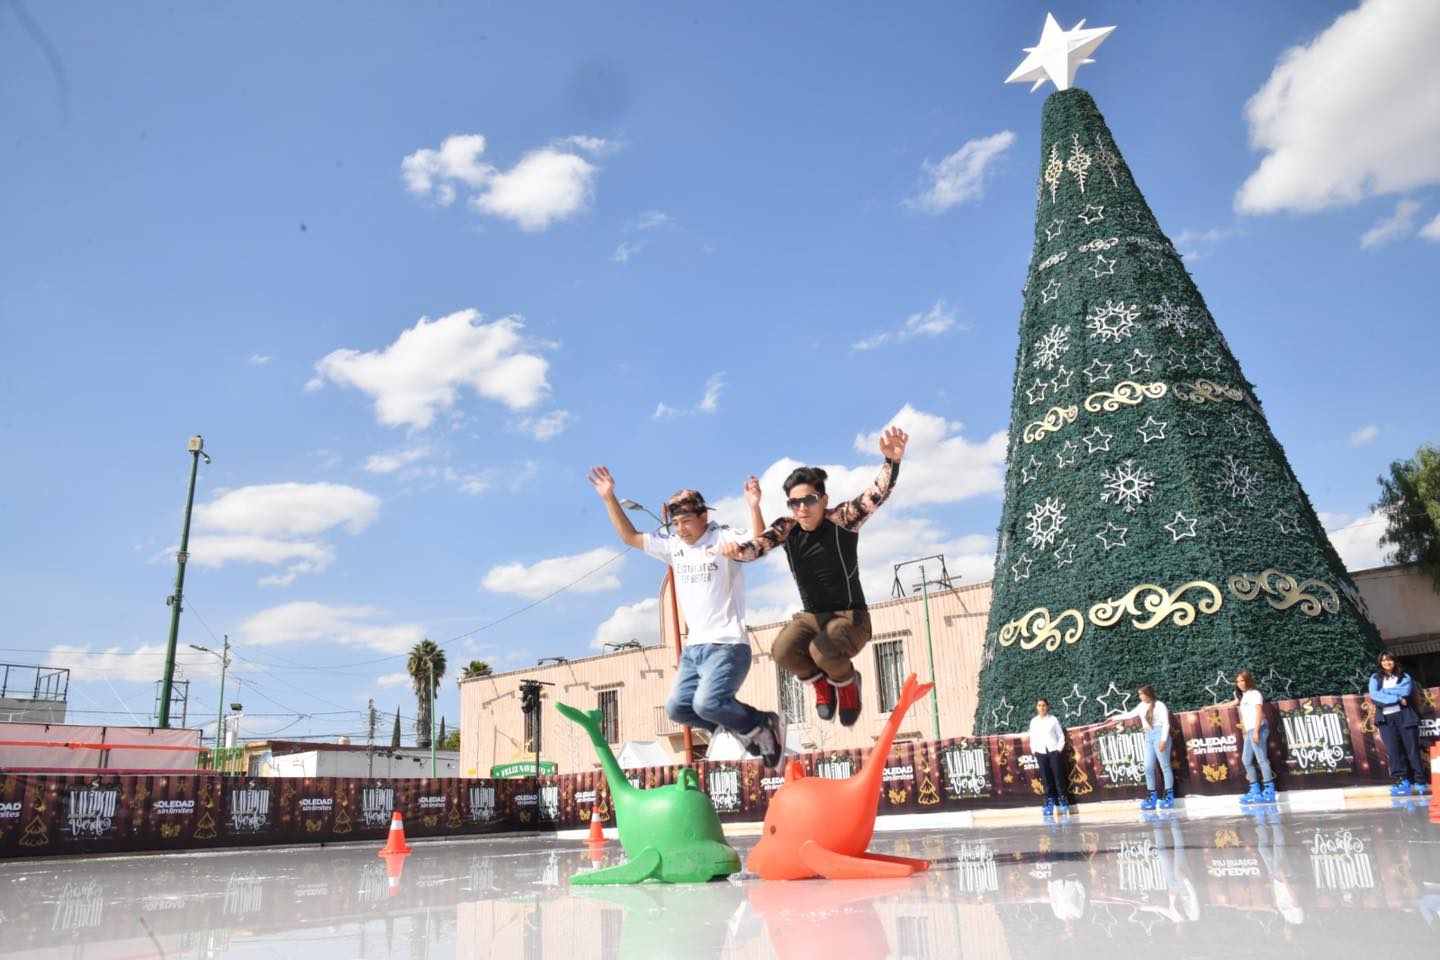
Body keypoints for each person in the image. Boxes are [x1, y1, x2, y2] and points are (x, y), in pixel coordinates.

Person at [587, 466, 785, 768]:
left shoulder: (723, 537)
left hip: (728, 644)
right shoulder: (674, 546)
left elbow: (759, 540)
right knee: (678, 708)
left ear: (703, 517)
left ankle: (760, 724)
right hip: (695, 650)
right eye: (676, 523)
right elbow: (629, 537)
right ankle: (730, 728)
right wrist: (608, 498)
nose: (681, 529)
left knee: (707, 703)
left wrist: (754, 506)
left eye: (687, 522)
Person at [721, 426, 908, 727]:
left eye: (809, 500)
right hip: (812, 617)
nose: (802, 508)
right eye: (795, 503)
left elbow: (876, 494)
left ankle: (847, 686)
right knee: (782, 651)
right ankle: (822, 685)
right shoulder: (787, 527)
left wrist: (891, 462)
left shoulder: (843, 519)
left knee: (821, 649)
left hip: (851, 618)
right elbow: (759, 546)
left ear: (823, 499)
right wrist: (736, 551)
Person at [1368, 651, 1430, 796]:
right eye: (1384, 661)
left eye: (1389, 660)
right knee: (1394, 752)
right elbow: (1375, 696)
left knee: (1412, 750)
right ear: (1380, 663)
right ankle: (1402, 781)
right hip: (1386, 719)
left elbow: (1405, 690)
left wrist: (1384, 692)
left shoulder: (1405, 677)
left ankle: (1420, 781)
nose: (1387, 663)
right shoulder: (1375, 678)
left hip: (1405, 717)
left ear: (1394, 661)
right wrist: (1397, 698)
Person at [1110, 685, 1174, 810]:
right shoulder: (1141, 706)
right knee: (1147, 767)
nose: (1140, 696)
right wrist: (1113, 718)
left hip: (1159, 734)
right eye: (1139, 694)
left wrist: (1163, 740)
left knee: (1165, 766)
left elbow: (1166, 723)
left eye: (1141, 694)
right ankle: (1152, 797)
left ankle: (1168, 797)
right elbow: (1130, 714)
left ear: (1148, 693)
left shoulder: (1160, 705)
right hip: (1148, 736)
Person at [1227, 670, 1277, 805]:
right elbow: (1231, 703)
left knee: (1261, 759)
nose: (1240, 684)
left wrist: (1256, 731)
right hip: (1250, 730)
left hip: (1259, 728)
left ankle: (1269, 790)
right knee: (1246, 760)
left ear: (1248, 680)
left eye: (1242, 680)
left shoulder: (1255, 694)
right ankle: (1255, 789)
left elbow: (1259, 712)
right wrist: (1211, 707)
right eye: (1237, 681)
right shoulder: (1243, 696)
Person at [1028, 698, 1070, 816]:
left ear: (1047, 706)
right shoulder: (1034, 722)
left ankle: (1063, 801)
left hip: (1053, 752)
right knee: (1046, 779)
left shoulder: (1053, 719)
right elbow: (1032, 738)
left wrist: (1058, 750)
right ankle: (1049, 803)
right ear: (1036, 707)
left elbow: (1061, 736)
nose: (1042, 708)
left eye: (1044, 705)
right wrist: (1034, 751)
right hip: (1040, 753)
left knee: (1058, 776)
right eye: (1039, 705)